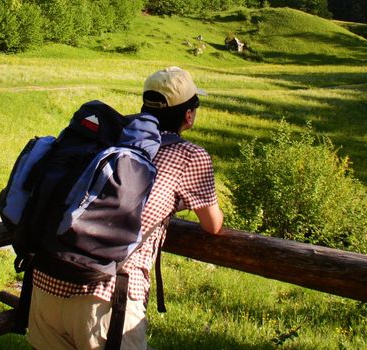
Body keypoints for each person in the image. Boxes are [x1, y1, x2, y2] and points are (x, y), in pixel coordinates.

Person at [27, 66, 224, 350]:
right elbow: (213, 224)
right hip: (106, 299)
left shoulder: (111, 138)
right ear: (188, 115)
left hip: (46, 284)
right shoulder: (190, 156)